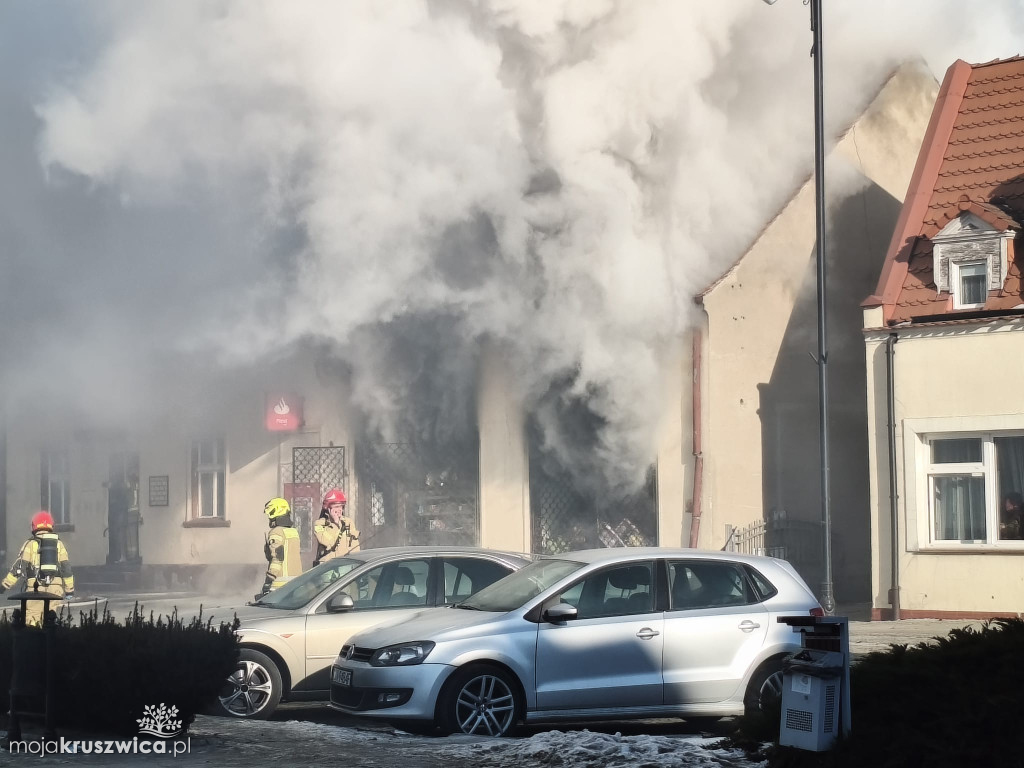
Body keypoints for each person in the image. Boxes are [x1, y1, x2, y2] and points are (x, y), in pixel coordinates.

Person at [0, 511, 75, 627]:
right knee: (50, 619)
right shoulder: (59, 544)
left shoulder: (30, 544)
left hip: (35, 588)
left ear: (34, 526)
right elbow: (66, 568)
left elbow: (19, 568)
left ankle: (34, 637)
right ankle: (50, 637)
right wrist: (69, 590)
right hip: (55, 589)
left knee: (32, 620)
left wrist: (5, 585)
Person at [259, 497, 301, 598]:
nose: (269, 518)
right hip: (297, 582)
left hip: (280, 584)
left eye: (270, 514)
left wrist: (268, 581)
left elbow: (277, 558)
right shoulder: (293, 532)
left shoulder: (276, 532)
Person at [313, 488, 359, 566]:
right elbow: (328, 542)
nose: (339, 510)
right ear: (328, 508)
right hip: (328, 566)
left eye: (341, 507)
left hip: (345, 565)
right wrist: (335, 524)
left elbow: (355, 546)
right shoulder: (319, 524)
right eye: (336, 507)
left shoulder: (348, 522)